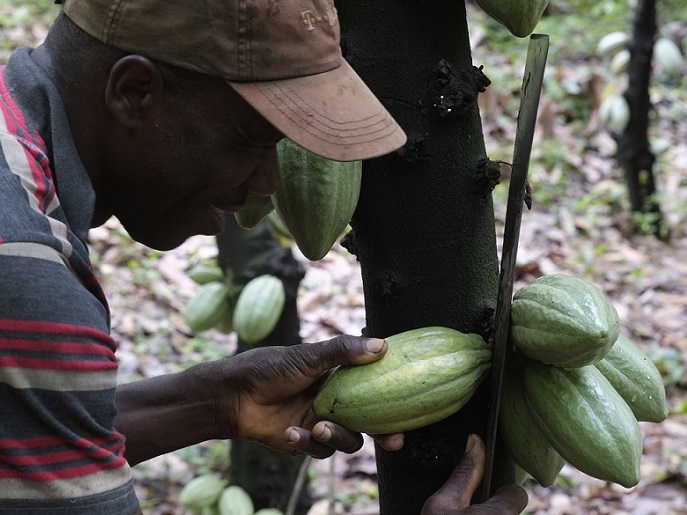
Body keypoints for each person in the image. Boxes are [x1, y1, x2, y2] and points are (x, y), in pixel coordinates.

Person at [0, 0, 527, 513]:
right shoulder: (27, 266)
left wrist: (216, 402)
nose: (268, 182)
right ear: (135, 93)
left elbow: (25, 431)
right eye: (251, 141)